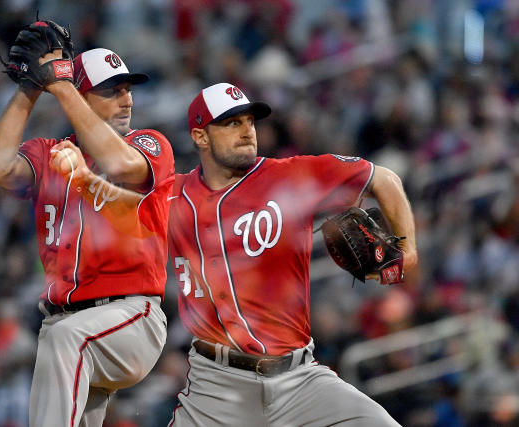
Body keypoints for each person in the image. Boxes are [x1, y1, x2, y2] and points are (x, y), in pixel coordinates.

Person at [166, 82, 418, 426]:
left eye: (249, 121)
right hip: (216, 387)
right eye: (231, 123)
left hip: (299, 379)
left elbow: (383, 179)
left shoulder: (289, 175)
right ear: (200, 137)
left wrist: (409, 250)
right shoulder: (173, 196)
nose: (246, 131)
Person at [0, 24, 175, 427]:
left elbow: (120, 166)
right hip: (62, 321)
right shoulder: (48, 152)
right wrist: (31, 88)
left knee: (69, 342)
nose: (126, 100)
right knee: (63, 354)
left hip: (130, 315)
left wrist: (62, 85)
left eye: (127, 89)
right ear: (83, 99)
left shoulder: (149, 143)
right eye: (111, 91)